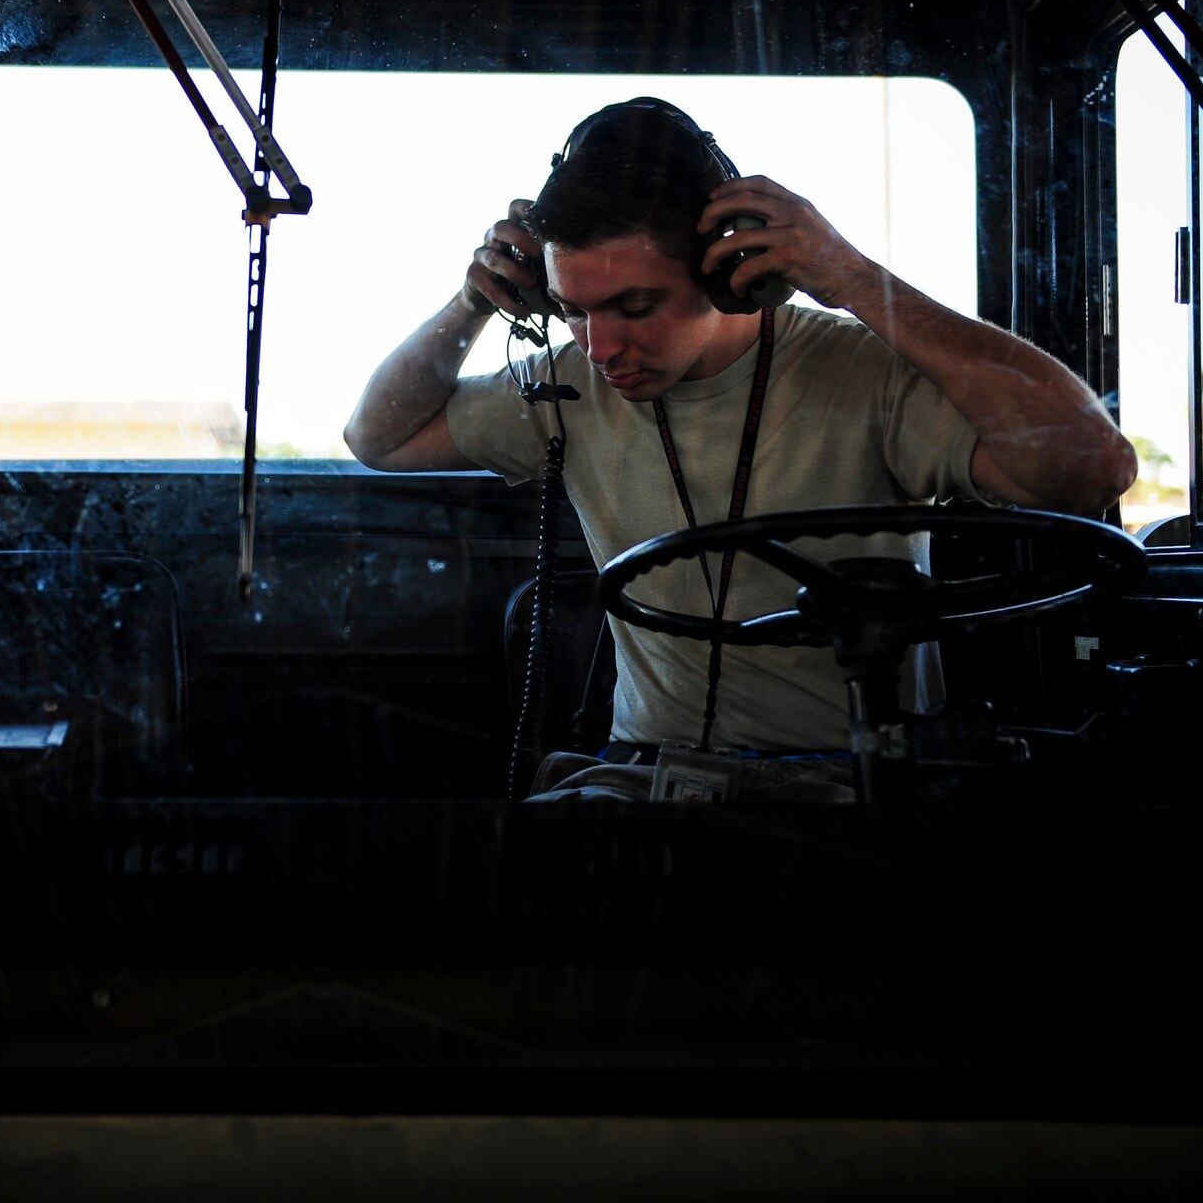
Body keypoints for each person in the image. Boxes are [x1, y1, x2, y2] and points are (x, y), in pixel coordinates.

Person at [343, 99, 1136, 784]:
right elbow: (377, 435)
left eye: (636, 304)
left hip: (858, 781)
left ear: (733, 271)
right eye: (573, 310)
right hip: (646, 773)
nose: (599, 345)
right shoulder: (566, 387)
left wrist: (854, 277)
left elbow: (1092, 469)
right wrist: (471, 304)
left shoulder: (863, 373)